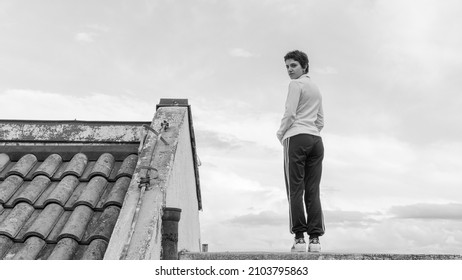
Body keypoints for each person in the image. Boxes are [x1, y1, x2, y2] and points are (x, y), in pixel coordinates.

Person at [277, 50, 325, 253]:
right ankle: (315, 240)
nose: (289, 70)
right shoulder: (315, 88)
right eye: (287, 66)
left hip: (296, 138)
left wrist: (281, 133)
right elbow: (321, 120)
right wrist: (311, 130)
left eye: (293, 65)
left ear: (304, 66)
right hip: (316, 140)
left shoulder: (295, 85)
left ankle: (299, 238)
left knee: (295, 189)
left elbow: (290, 113)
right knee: (312, 190)